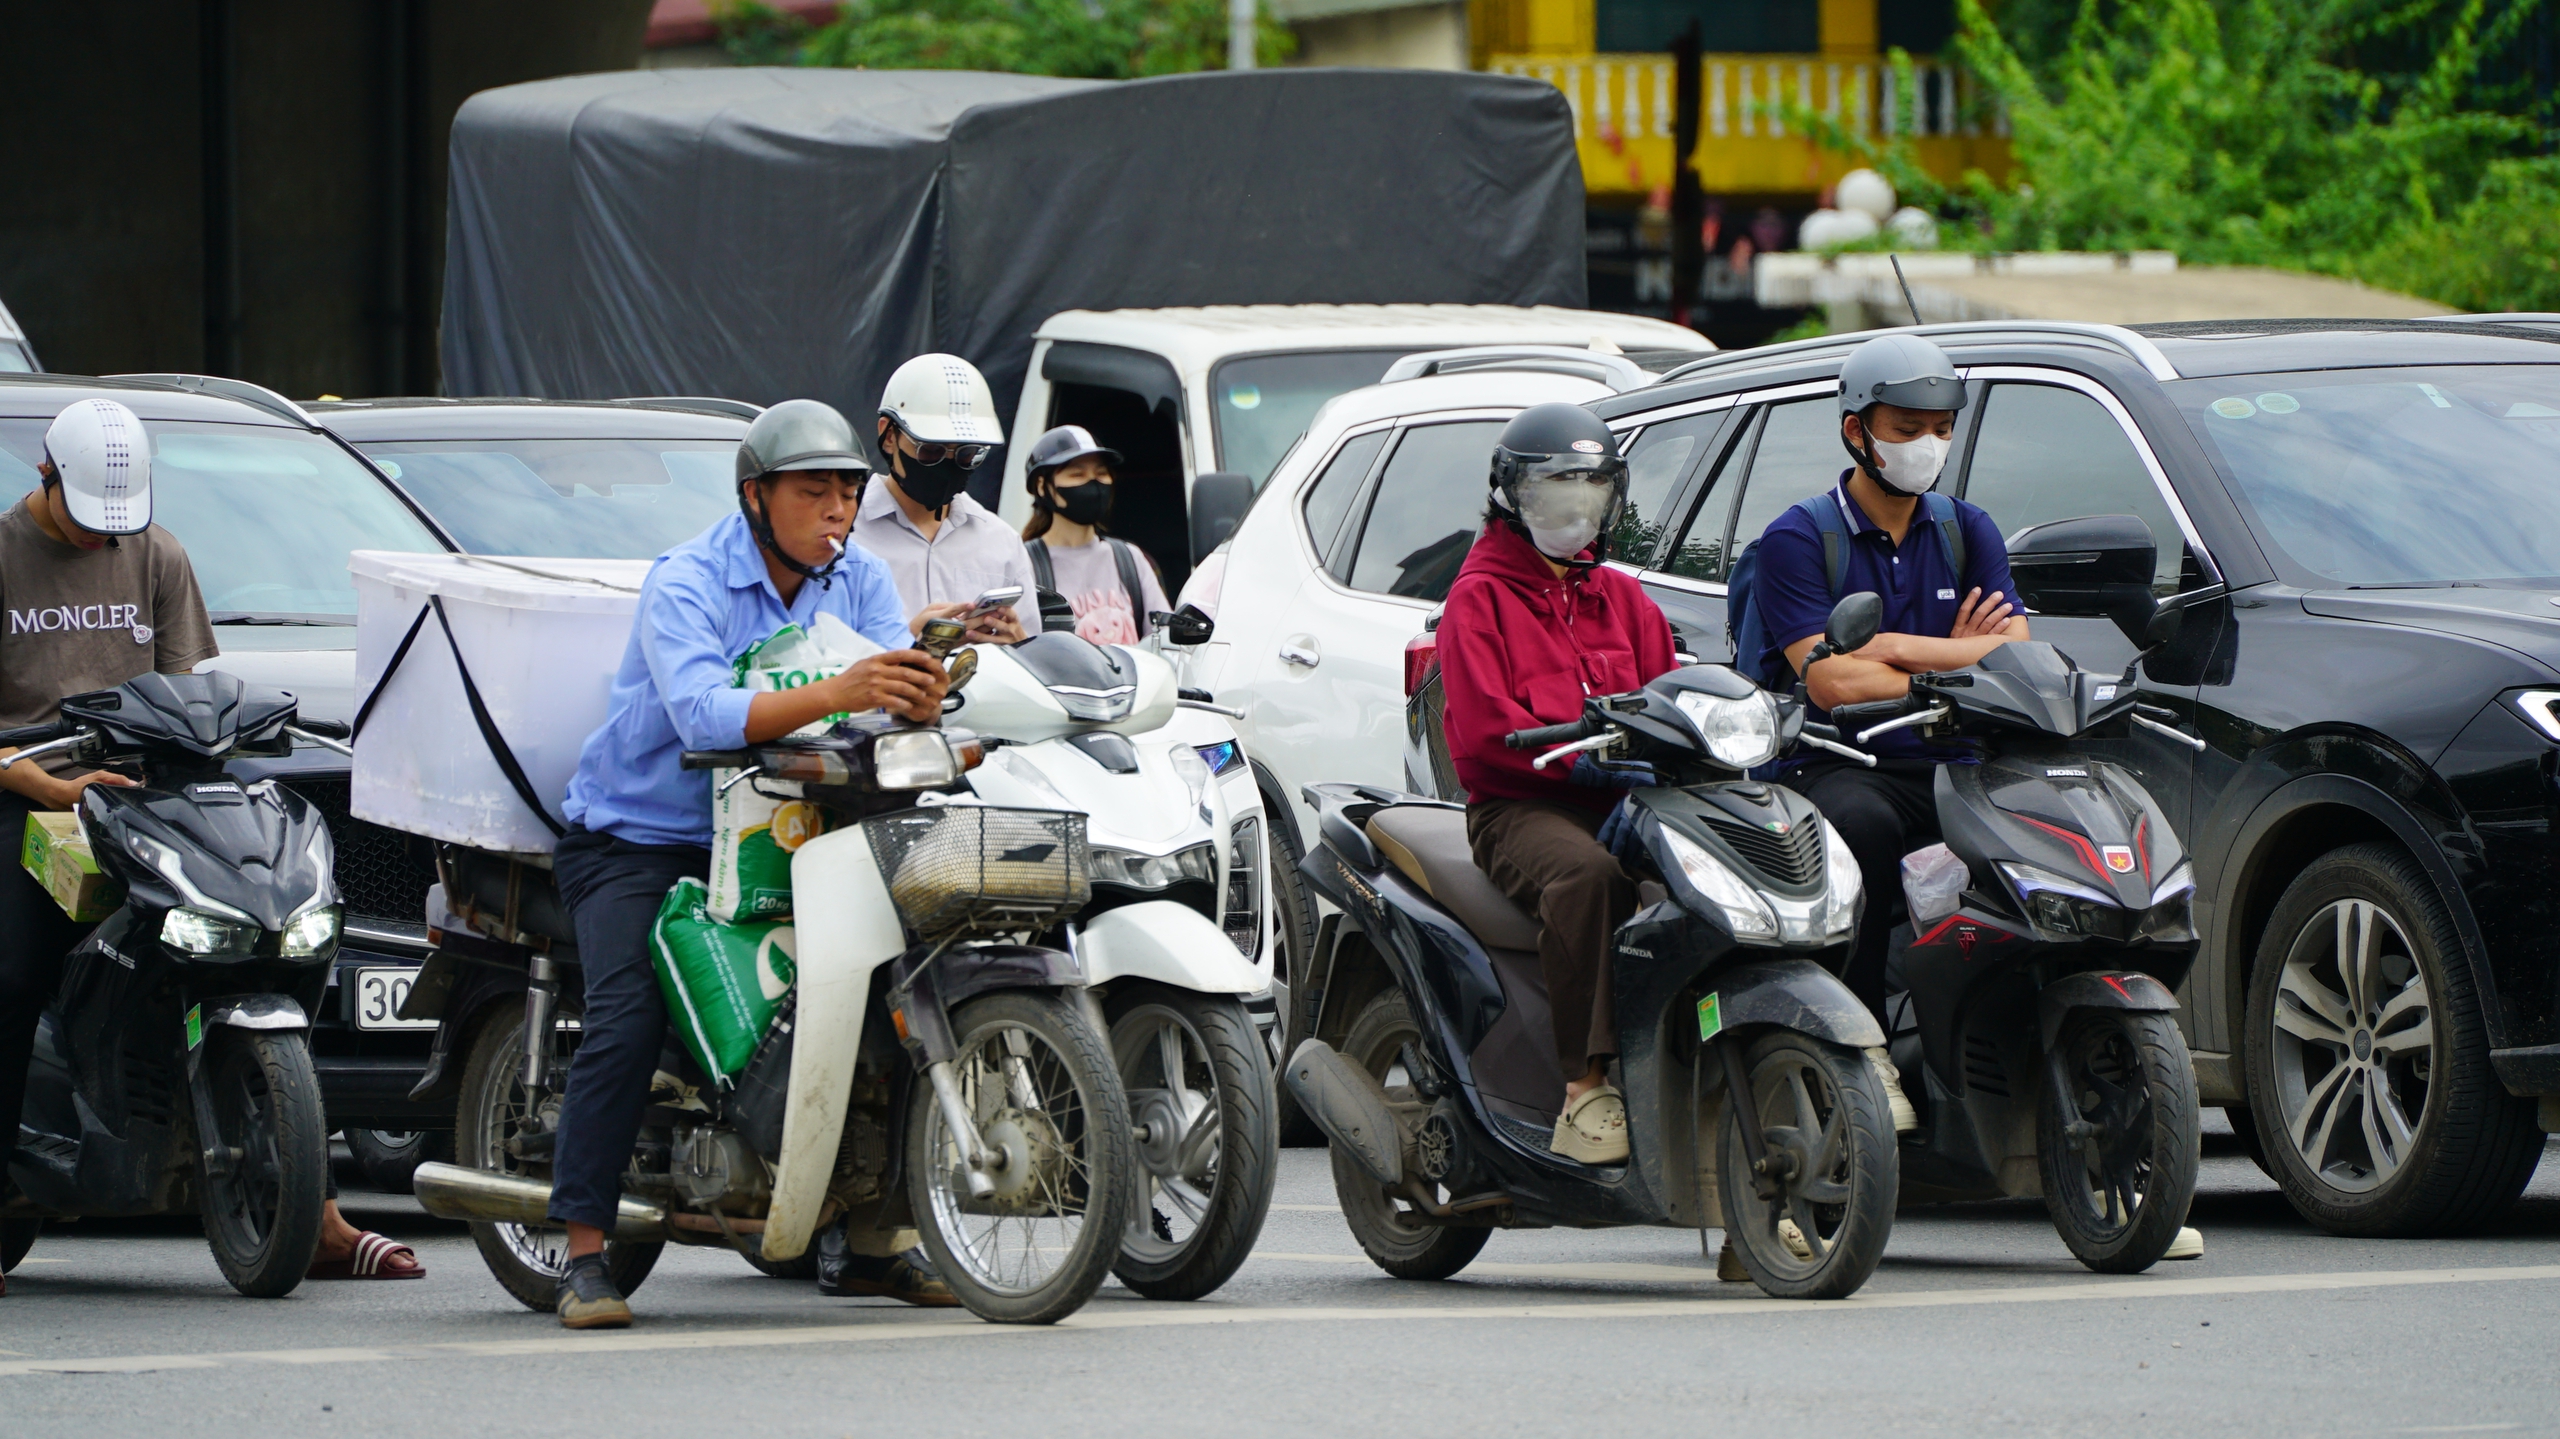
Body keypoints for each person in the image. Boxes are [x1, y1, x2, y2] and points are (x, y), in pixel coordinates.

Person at [547, 399, 952, 1329]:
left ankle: (868, 1238)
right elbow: (701, 713)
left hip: (793, 833)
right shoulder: (685, 581)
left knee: (892, 984)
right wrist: (843, 687)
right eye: (814, 493)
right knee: (628, 1011)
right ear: (755, 497)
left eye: (849, 493)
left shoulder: (861, 581)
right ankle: (583, 1251)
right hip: (644, 839)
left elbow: (882, 696)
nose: (837, 513)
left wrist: (919, 696)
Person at [0, 400, 421, 1292]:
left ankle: (316, 1210)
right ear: (44, 479)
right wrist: (40, 782)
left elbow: (190, 689)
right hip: (31, 797)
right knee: (12, 975)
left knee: (273, 937)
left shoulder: (157, 552)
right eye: (83, 518)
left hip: (151, 795)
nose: (101, 538)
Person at [1748, 332, 2026, 1130]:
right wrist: (1961, 653)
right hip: (1844, 762)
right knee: (1860, 834)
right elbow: (1831, 681)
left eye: (1940, 427)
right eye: (1905, 428)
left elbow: (2018, 656)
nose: (1926, 445)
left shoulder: (1968, 529)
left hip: (1956, 757)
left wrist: (1896, 647)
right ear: (1855, 430)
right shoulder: (1799, 539)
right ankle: (1862, 1053)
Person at [1434, 404, 1677, 1167]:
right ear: (1510, 496)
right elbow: (1481, 735)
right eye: (1555, 494)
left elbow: (1672, 696)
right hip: (1520, 807)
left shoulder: (1627, 600)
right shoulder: (1478, 599)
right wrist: (1579, 764)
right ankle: (1585, 1088)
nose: (1575, 514)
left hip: (1626, 801)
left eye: (1591, 495)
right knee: (1588, 877)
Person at [853, 354, 1032, 644]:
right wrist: (906, 642)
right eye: (931, 451)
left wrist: (1019, 645)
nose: (947, 465)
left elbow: (1031, 660)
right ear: (889, 436)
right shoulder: (844, 535)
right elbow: (816, 662)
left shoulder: (1001, 543)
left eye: (967, 454)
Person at [1019, 424, 1168, 645]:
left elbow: (1164, 640)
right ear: (1042, 486)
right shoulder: (1024, 564)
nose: (1093, 483)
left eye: (1101, 473)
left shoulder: (1130, 558)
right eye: (1077, 474)